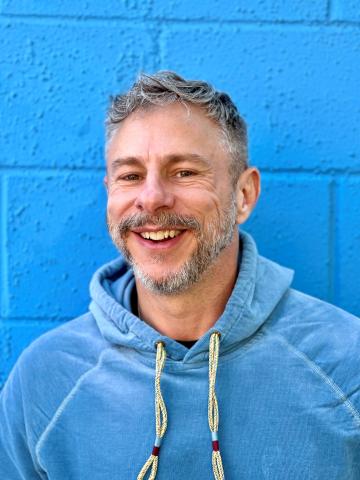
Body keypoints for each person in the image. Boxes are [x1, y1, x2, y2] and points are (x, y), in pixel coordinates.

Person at [1, 71, 360, 480]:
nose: (151, 198)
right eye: (130, 175)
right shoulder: (46, 379)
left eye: (185, 172)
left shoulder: (346, 365)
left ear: (243, 196)